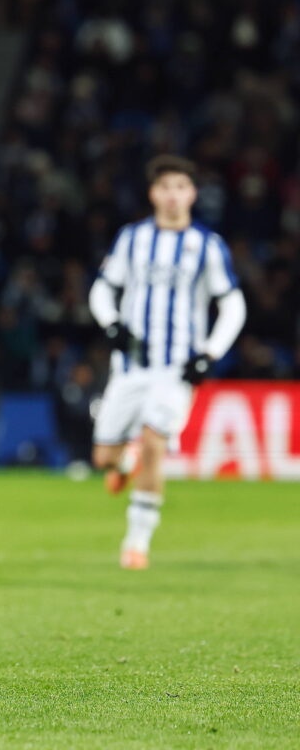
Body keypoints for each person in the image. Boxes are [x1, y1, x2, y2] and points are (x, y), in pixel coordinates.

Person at [88, 155, 245, 570]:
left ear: (192, 193)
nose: (173, 196)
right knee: (103, 458)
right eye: (165, 187)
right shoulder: (132, 238)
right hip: (131, 367)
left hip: (175, 370)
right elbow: (102, 290)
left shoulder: (207, 245)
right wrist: (112, 324)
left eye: (181, 187)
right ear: (152, 193)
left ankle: (135, 544)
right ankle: (124, 460)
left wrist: (209, 353)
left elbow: (232, 304)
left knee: (156, 444)